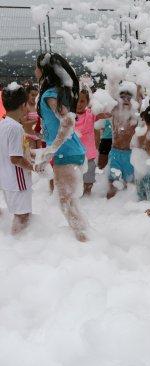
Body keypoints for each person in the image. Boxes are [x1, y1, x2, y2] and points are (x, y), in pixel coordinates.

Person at [36, 53, 88, 241]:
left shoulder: (50, 94)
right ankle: (85, 239)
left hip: (66, 153)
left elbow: (67, 123)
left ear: (43, 70)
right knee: (68, 202)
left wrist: (51, 150)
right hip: (70, 151)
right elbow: (56, 128)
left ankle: (84, 242)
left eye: (37, 67)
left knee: (66, 202)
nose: (35, 71)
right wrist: (41, 141)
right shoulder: (53, 93)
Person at [0, 84, 37, 234]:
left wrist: (27, 145)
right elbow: (15, 158)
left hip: (6, 178)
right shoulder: (16, 128)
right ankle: (17, 243)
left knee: (17, 213)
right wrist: (33, 167)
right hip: (18, 181)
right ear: (23, 106)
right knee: (22, 216)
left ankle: (13, 244)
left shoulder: (3, 123)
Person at [106, 81, 139, 199]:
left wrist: (139, 84)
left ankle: (126, 207)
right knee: (113, 182)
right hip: (115, 151)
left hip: (129, 153)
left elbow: (138, 101)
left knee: (129, 183)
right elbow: (110, 101)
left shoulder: (134, 115)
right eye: (122, 97)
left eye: (128, 98)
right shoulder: (115, 111)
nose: (125, 100)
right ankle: (109, 206)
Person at [74, 88, 100, 195]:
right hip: (74, 155)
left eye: (82, 101)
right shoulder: (69, 116)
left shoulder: (90, 114)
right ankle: (78, 194)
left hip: (89, 154)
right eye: (76, 101)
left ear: (87, 102)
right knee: (75, 179)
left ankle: (88, 193)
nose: (79, 104)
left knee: (89, 179)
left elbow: (101, 114)